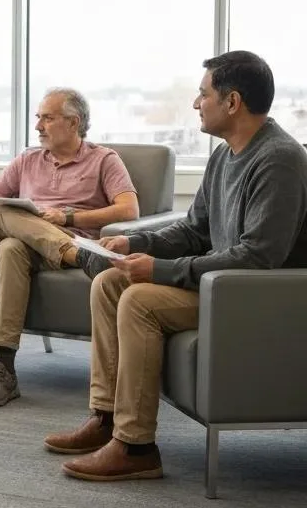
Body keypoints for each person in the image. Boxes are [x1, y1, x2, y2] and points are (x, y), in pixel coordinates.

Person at [45, 51, 307, 482]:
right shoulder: (225, 156)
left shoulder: (279, 160)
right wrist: (133, 242)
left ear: (232, 102)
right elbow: (194, 231)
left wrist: (160, 271)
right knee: (109, 282)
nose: (195, 103)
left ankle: (136, 446)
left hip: (259, 298)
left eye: (203, 94)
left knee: (141, 300)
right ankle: (107, 418)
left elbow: (258, 256)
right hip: (223, 285)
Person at [0, 88, 139, 408]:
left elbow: (129, 209)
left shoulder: (104, 159)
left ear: (73, 123)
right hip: (52, 250)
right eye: (38, 118)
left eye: (47, 118)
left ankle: (3, 367)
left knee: (8, 249)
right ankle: (80, 257)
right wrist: (31, 219)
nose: (38, 126)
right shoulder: (27, 159)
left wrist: (68, 216)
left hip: (76, 237)